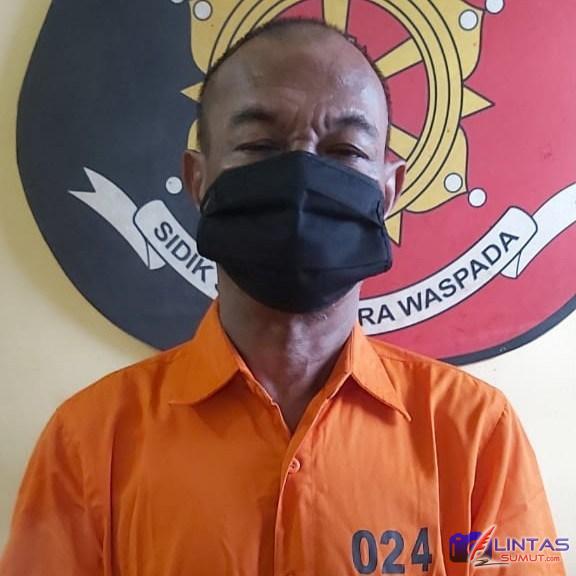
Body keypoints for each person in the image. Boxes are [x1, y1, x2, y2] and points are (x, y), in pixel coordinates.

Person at [0, 17, 565, 576]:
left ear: (389, 189)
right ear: (198, 180)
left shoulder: (478, 434)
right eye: (259, 144)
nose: (302, 176)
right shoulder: (89, 440)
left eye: (345, 149)